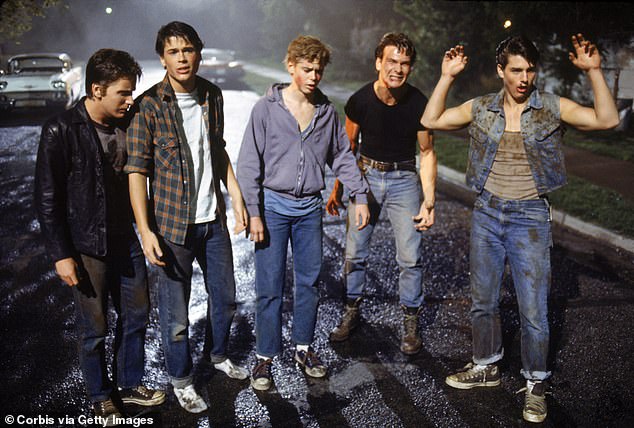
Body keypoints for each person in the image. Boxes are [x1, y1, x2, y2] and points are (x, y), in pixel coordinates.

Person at [421, 34, 619, 423]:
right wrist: (446, 77)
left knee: (533, 310)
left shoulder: (551, 107)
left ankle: (536, 384)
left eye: (530, 70)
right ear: (501, 71)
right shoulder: (481, 108)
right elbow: (430, 120)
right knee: (484, 300)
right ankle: (486, 366)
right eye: (516, 70)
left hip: (529, 216)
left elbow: (606, 120)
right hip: (487, 214)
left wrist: (594, 71)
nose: (524, 77)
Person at [34, 49, 165, 426]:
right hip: (86, 245)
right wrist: (61, 253)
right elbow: (47, 198)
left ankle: (129, 385)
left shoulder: (131, 122)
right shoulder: (61, 129)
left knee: (137, 316)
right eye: (123, 93)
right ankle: (100, 396)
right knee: (94, 328)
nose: (130, 100)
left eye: (132, 93)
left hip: (127, 241)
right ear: (96, 89)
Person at [125, 21, 249, 413]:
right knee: (176, 314)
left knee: (225, 300)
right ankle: (181, 379)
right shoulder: (148, 105)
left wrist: (238, 196)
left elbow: (219, 149)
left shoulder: (211, 95)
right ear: (162, 57)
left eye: (188, 50)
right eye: (174, 52)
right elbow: (136, 171)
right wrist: (145, 229)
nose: (182, 58)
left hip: (212, 220)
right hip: (172, 226)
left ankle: (217, 355)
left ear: (199, 52)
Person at [237, 35, 370, 391]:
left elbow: (342, 156)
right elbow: (249, 162)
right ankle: (265, 357)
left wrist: (358, 194)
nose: (313, 76)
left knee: (309, 283)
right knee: (269, 287)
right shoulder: (266, 109)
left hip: (309, 207)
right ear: (291, 65)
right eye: (307, 69)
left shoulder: (326, 111)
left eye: (319, 70)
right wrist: (253, 211)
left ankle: (304, 348)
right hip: (273, 207)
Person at [326, 33, 436, 355]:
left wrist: (429, 200)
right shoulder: (360, 100)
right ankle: (351, 311)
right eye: (391, 61)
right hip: (366, 177)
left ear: (410, 68)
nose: (398, 69)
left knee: (410, 257)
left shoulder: (418, 103)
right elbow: (347, 149)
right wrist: (338, 189)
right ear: (378, 62)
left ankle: (411, 322)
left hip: (404, 178)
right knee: (355, 251)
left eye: (404, 64)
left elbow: (427, 152)